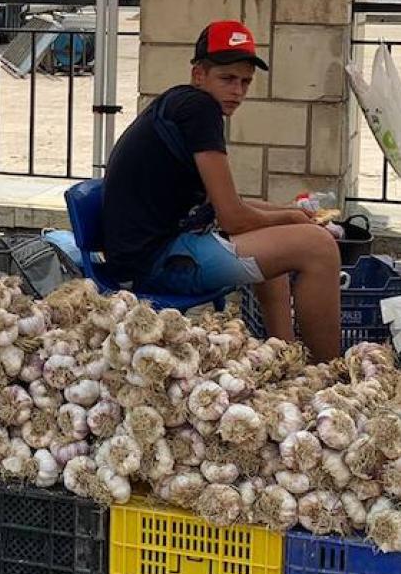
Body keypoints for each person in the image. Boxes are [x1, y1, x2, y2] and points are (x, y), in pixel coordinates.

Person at [101, 20, 343, 361]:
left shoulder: (178, 104)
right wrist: (291, 217)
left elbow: (230, 204)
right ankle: (328, 372)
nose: (238, 91)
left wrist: (284, 214)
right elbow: (233, 217)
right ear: (199, 74)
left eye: (245, 82)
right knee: (318, 246)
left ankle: (287, 359)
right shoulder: (201, 110)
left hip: (153, 249)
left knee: (279, 248)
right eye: (227, 79)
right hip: (158, 262)